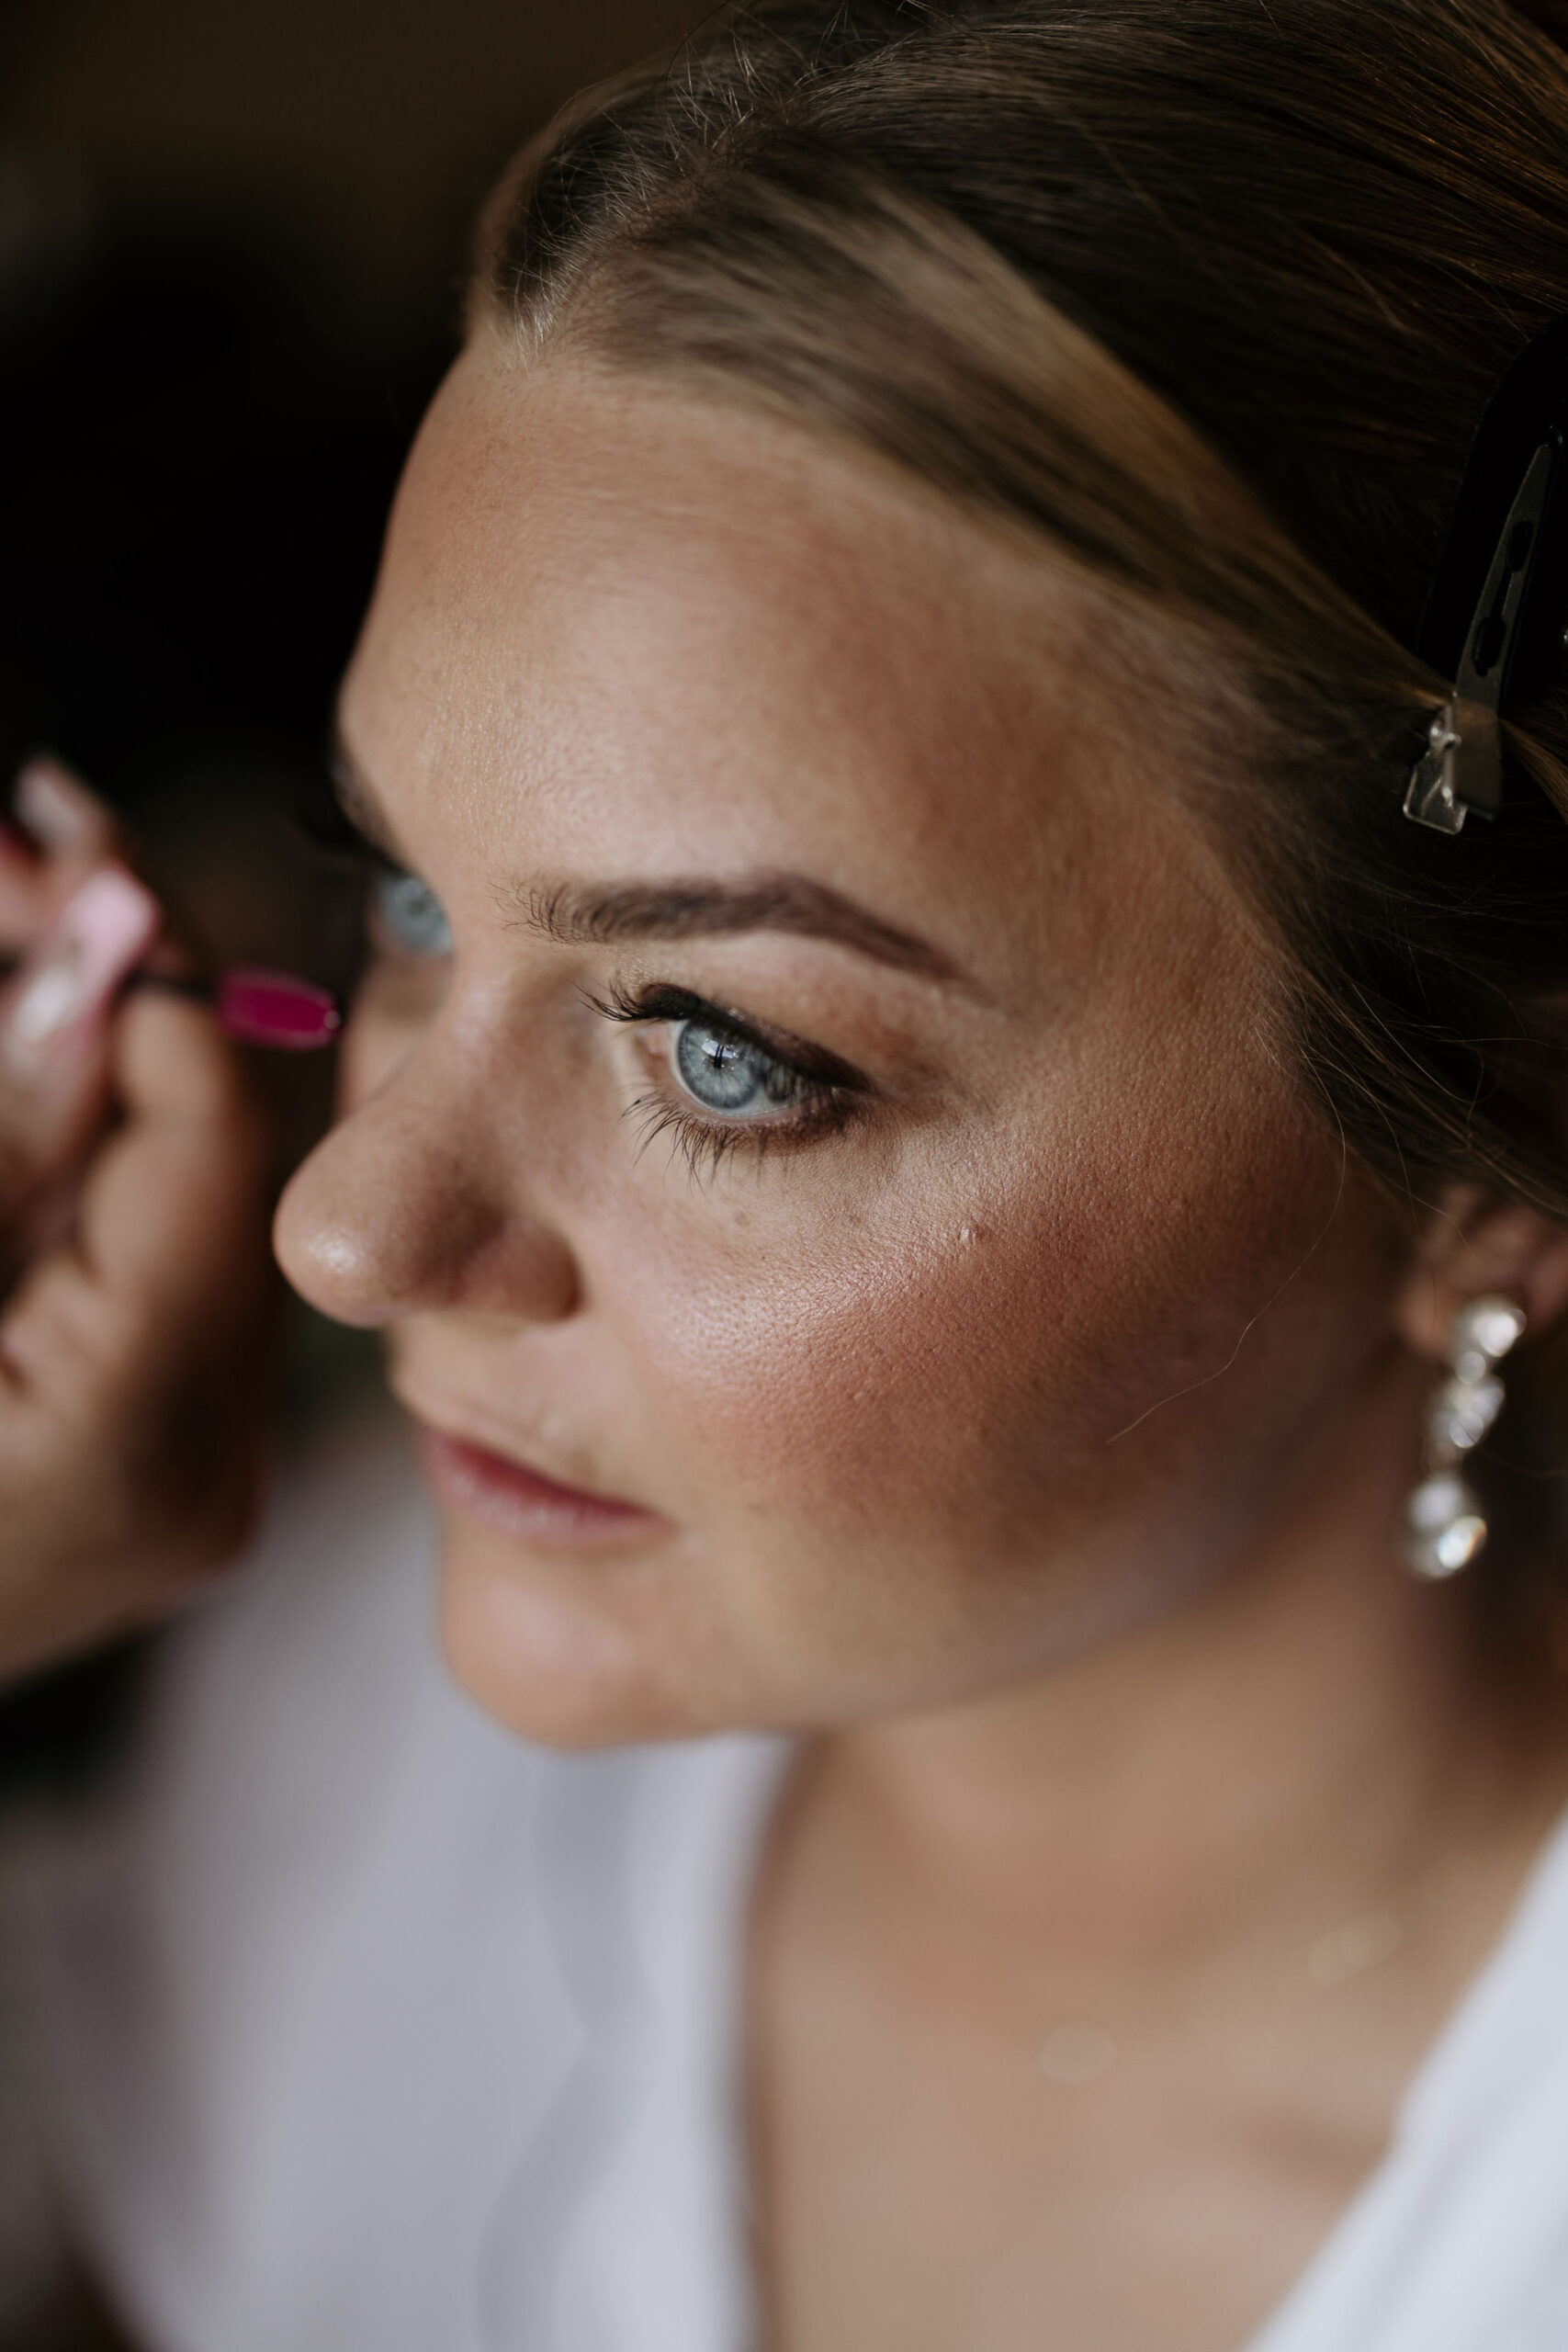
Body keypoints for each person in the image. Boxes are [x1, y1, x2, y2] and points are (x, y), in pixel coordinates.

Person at [12, 1, 1568, 2346]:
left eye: (725, 1051)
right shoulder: (310, 1763)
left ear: (1486, 1168)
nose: (342, 1231)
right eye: (415, 896)